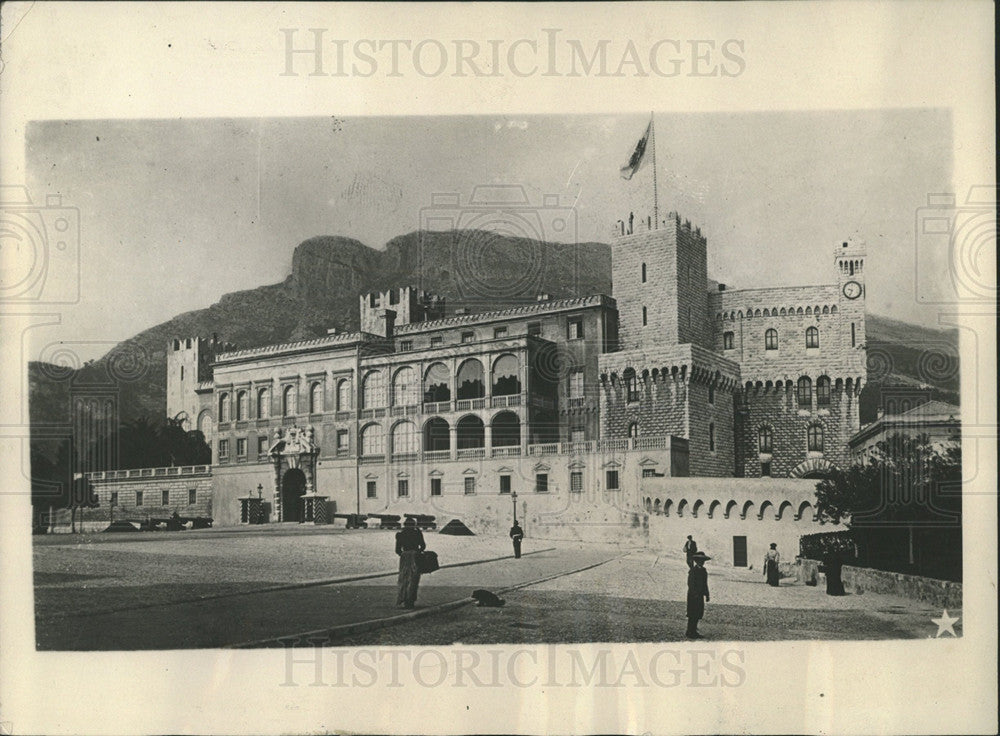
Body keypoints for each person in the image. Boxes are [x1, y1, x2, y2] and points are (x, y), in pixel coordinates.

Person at [395, 517, 426, 608]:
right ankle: (411, 600)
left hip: (404, 558)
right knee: (414, 579)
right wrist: (417, 552)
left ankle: (403, 599)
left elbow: (397, 550)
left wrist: (404, 555)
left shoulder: (400, 534)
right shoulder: (417, 534)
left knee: (404, 579)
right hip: (415, 557)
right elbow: (423, 546)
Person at [686, 551, 711, 639]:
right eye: (700, 560)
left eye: (703, 560)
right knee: (692, 614)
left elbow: (705, 583)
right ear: (697, 561)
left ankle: (694, 630)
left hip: (700, 596)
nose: (702, 562)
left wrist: (707, 594)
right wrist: (694, 593)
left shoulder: (704, 571)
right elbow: (690, 583)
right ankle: (690, 631)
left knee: (698, 613)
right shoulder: (693, 571)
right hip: (693, 596)